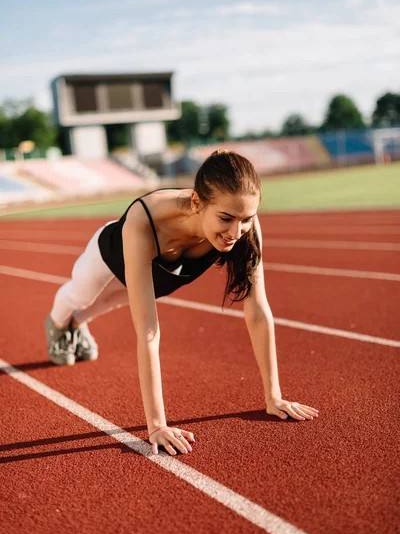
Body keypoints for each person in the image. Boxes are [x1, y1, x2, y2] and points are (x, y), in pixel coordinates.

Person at [45, 150, 319, 456]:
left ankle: (77, 324)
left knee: (113, 302)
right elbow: (148, 330)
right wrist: (157, 425)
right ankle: (57, 324)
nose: (235, 232)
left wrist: (274, 397)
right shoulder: (146, 217)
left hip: (168, 270)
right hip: (112, 253)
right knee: (81, 293)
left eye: (246, 219)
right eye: (226, 218)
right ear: (197, 202)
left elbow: (257, 311)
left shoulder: (243, 230)